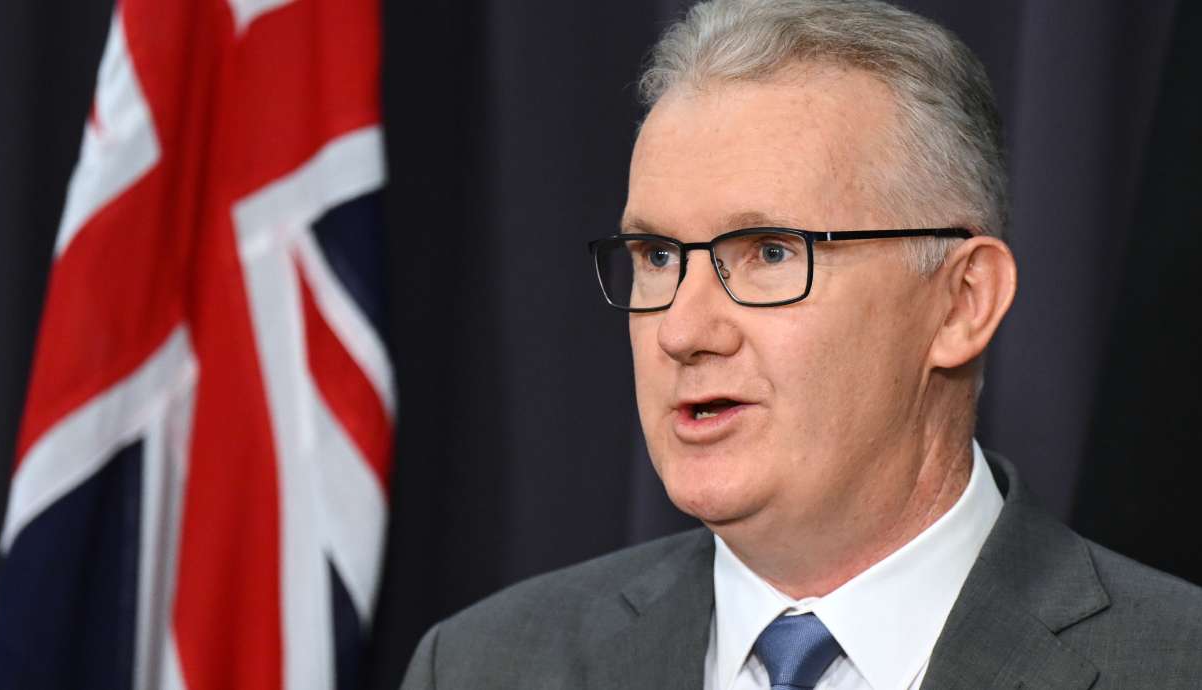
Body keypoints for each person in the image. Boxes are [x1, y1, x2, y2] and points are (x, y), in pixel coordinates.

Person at [400, 1, 1202, 687]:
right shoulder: (481, 665)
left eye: (771, 253)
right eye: (657, 259)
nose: (683, 330)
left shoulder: (1174, 661)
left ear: (962, 302)